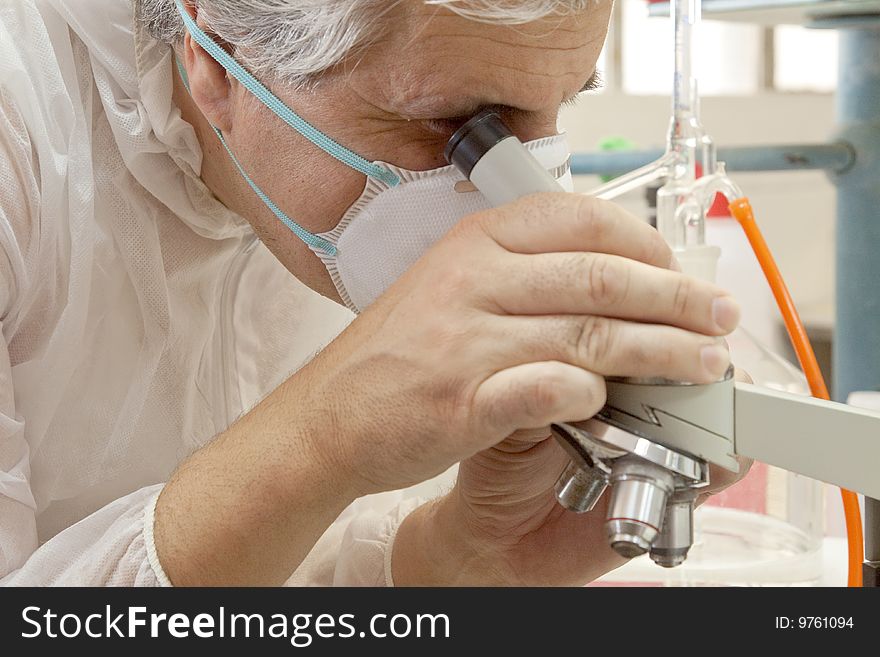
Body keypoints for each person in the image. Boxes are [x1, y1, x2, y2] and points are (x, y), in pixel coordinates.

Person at [0, 0, 747, 586]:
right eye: (452, 127)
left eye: (560, 110)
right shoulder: (22, 127)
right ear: (217, 61)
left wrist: (461, 562)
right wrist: (323, 437)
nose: (528, 195)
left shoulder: (313, 179)